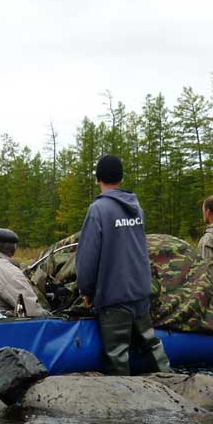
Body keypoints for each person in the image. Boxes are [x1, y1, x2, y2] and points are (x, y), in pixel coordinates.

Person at [76, 155, 171, 375]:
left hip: (114, 296)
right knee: (151, 346)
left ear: (98, 178)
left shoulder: (98, 210)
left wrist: (86, 290)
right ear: (121, 177)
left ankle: (125, 406)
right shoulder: (136, 208)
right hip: (140, 291)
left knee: (117, 355)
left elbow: (88, 256)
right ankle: (172, 388)